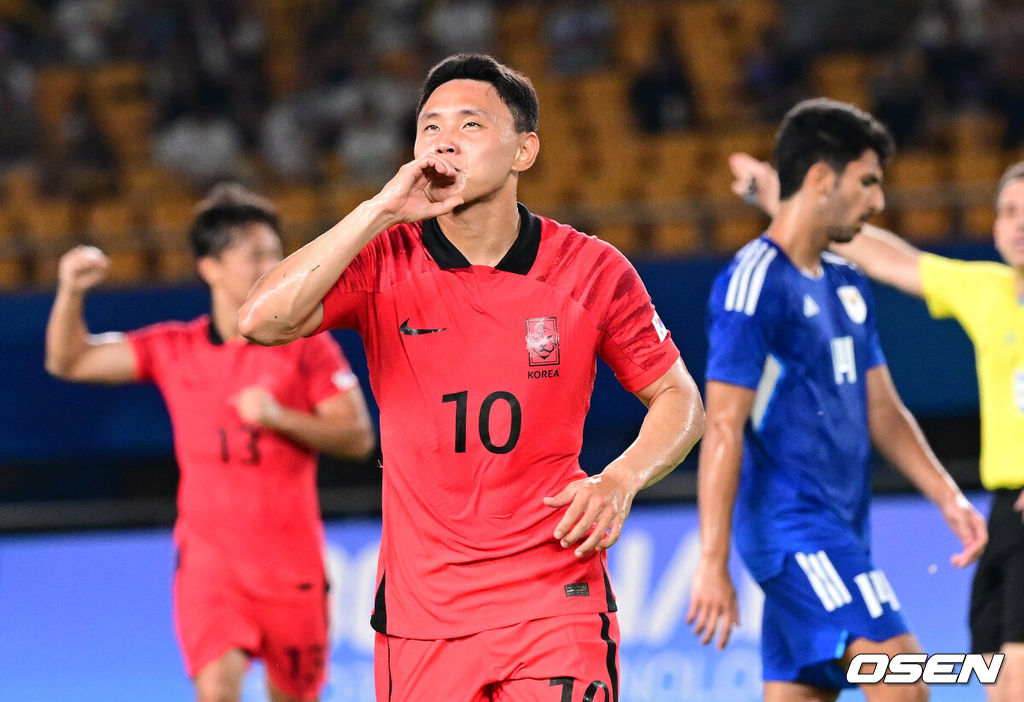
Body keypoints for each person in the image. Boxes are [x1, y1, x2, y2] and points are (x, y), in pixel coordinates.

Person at [238, 53, 706, 702]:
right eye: (429, 127)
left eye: (471, 124)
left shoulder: (593, 270)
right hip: (424, 618)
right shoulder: (382, 260)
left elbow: (679, 397)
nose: (444, 140)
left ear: (524, 151)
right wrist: (378, 211)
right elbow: (261, 320)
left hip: (554, 595)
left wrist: (621, 478)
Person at [685, 98, 987, 701]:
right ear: (821, 178)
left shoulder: (847, 282)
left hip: (843, 528)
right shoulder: (753, 283)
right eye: (868, 181)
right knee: (905, 682)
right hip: (792, 531)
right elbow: (722, 428)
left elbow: (883, 411)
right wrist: (712, 559)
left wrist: (947, 496)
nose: (878, 202)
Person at [44, 183, 376, 702]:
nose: (272, 263)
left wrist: (281, 417)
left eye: (275, 251)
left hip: (293, 574)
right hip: (211, 570)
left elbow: (358, 437)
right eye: (255, 254)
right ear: (210, 268)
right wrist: (71, 290)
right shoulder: (173, 348)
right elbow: (71, 360)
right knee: (216, 692)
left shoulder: (306, 347)